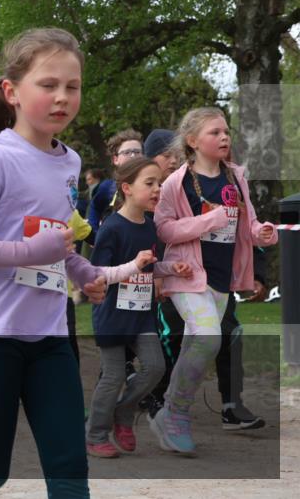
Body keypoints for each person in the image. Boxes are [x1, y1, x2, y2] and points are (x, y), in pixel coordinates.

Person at [0, 28, 108, 499]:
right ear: (12, 92)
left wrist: (84, 273)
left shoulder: (70, 162)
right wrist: (35, 253)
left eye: (72, 86)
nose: (62, 97)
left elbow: (55, 238)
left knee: (70, 467)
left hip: (49, 337)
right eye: (47, 85)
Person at [149, 107, 278, 455]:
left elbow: (246, 223)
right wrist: (207, 222)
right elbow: (163, 229)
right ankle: (175, 414)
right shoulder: (176, 182)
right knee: (208, 337)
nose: (224, 137)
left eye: (226, 132)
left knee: (199, 345)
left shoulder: (236, 178)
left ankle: (168, 413)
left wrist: (260, 232)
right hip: (186, 274)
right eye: (214, 132)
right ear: (192, 141)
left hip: (222, 278)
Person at [85, 157, 192, 458]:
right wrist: (134, 265)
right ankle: (95, 435)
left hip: (142, 315)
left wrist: (172, 267)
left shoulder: (150, 227)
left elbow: (150, 266)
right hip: (111, 315)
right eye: (150, 183)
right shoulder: (112, 229)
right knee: (113, 376)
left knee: (156, 367)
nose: (158, 188)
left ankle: (123, 413)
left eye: (159, 182)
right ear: (127, 188)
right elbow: (97, 275)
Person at [87, 129, 143, 245]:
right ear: (115, 159)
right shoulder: (108, 187)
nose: (133, 156)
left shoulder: (153, 185)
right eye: (127, 152)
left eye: (137, 152)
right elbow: (94, 207)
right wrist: (96, 236)